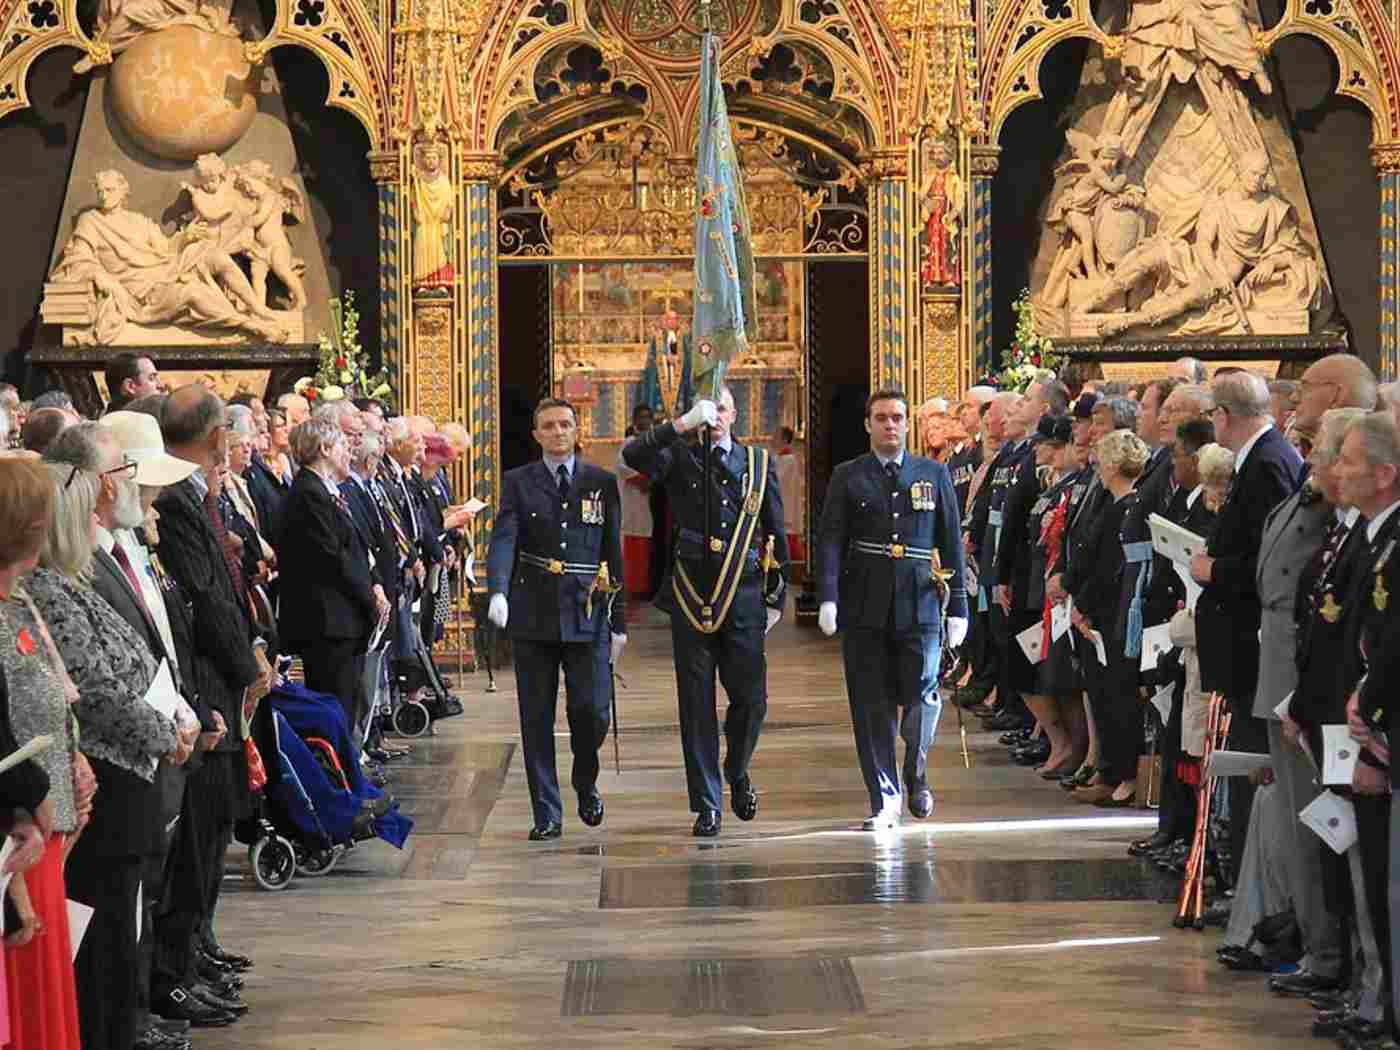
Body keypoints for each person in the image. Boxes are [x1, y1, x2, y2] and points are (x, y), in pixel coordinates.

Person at [25, 460, 181, 1050]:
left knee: (120, 938)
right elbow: (94, 687)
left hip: (122, 776)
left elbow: (129, 659)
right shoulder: (48, 590)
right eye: (86, 510)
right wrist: (163, 731)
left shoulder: (68, 582)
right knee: (102, 952)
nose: (97, 518)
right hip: (99, 785)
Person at [151, 385, 269, 1024]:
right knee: (195, 842)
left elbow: (228, 591)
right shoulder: (178, 504)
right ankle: (174, 967)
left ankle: (192, 953)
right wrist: (246, 665)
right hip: (206, 684)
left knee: (213, 830)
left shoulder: (199, 498)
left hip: (219, 688)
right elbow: (207, 598)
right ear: (216, 434)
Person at [622, 388, 788, 837]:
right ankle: (707, 803)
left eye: (722, 408)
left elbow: (775, 530)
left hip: (745, 593)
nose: (715, 416)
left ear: (736, 415)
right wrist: (677, 426)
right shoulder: (679, 456)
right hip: (691, 594)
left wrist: (776, 597)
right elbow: (632, 454)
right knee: (695, 705)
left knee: (751, 700)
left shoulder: (757, 463)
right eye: (706, 409)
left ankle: (737, 768)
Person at [815, 389, 968, 830]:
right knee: (871, 706)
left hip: (920, 603)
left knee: (923, 697)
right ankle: (884, 798)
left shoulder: (933, 473)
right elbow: (830, 538)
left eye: (898, 417)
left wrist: (958, 605)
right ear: (868, 424)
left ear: (907, 423)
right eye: (881, 417)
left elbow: (951, 543)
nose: (890, 425)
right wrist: (828, 596)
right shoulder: (849, 476)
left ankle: (915, 771)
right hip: (865, 604)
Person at [486, 399, 626, 840]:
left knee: (592, 712)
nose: (558, 432)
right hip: (535, 613)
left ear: (577, 428)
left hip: (587, 613)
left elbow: (613, 551)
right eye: (549, 426)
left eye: (565, 424)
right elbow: (504, 538)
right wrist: (499, 591)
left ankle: (585, 779)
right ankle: (547, 811)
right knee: (536, 717)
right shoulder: (518, 483)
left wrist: (619, 621)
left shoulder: (600, 482)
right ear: (537, 434)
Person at [1190, 370, 1303, 884]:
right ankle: (1243, 879)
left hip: (1253, 641)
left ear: (1223, 415)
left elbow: (1274, 559)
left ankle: (1252, 885)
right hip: (1239, 640)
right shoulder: (1257, 458)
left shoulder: (1269, 461)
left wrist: (1217, 570)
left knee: (1256, 763)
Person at [0, 456, 86, 1050]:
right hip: (16, 839)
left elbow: (52, 692)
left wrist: (75, 760)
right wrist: (22, 807)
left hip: (45, 821)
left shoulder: (20, 598)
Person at [277, 416, 387, 731]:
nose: (348, 452)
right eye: (341, 444)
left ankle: (347, 772)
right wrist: (370, 596)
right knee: (334, 708)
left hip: (343, 620)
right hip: (327, 623)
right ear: (324, 448)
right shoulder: (308, 494)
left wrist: (376, 584)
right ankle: (338, 776)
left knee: (345, 707)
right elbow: (333, 558)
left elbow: (358, 546)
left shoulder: (328, 491)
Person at [1073, 428, 1151, 806]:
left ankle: (1124, 775)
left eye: (1103, 459)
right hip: (1100, 611)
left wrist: (1085, 606)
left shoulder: (1129, 508)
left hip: (1112, 614)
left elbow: (1111, 569)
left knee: (1118, 698)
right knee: (1103, 695)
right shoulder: (1113, 505)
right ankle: (1110, 769)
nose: (1098, 466)